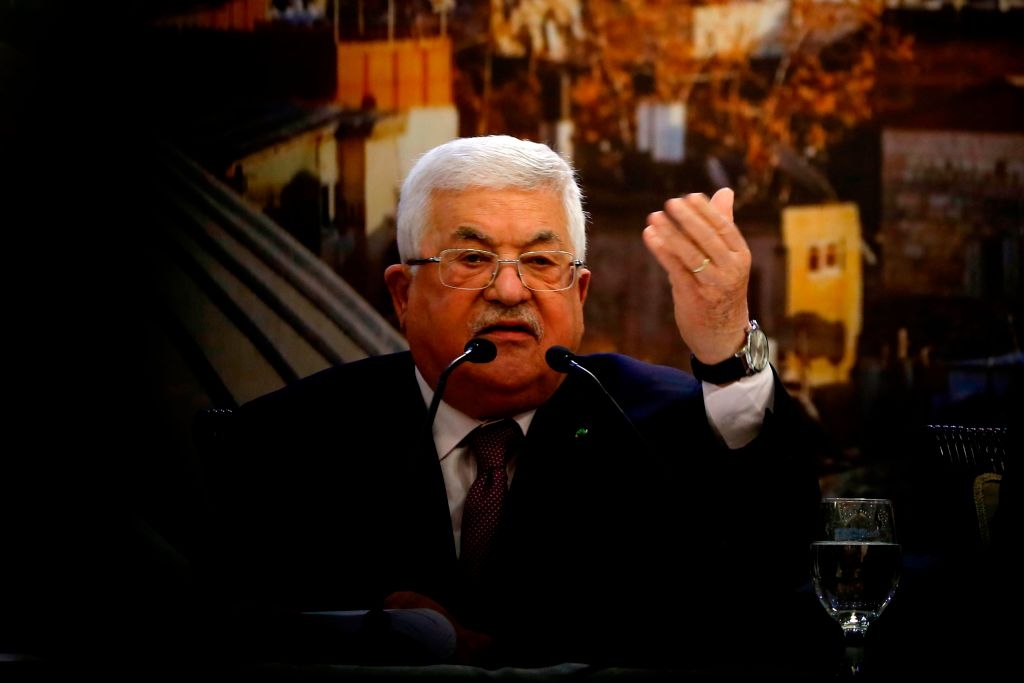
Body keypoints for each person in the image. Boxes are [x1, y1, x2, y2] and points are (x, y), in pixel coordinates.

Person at [198, 135, 838, 674]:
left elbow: (778, 567)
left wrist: (728, 348)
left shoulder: (659, 426)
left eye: (540, 260)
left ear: (579, 293)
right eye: (472, 258)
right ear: (402, 295)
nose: (510, 289)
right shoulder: (288, 441)